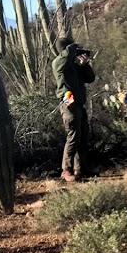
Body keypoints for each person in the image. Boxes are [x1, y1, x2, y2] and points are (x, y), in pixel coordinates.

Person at [52, 36, 96, 182]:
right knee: (73, 136)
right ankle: (66, 169)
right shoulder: (58, 63)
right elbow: (66, 55)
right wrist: (74, 46)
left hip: (79, 104)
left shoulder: (74, 65)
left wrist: (84, 65)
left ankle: (80, 169)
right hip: (68, 105)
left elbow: (90, 78)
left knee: (82, 136)